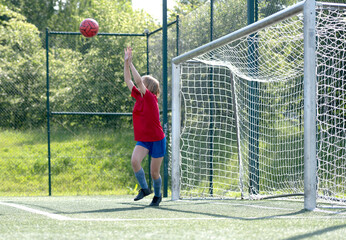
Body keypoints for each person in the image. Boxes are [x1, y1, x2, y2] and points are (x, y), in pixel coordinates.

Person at [123, 46, 166, 207]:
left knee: (154, 172)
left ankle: (158, 195)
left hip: (157, 140)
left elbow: (138, 80)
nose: (139, 83)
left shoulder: (150, 98)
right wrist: (126, 63)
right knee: (135, 161)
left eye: (143, 82)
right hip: (144, 139)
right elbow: (128, 80)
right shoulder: (139, 97)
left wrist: (132, 63)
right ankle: (145, 189)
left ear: (149, 88)